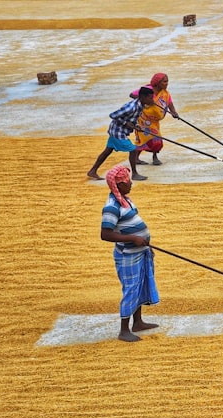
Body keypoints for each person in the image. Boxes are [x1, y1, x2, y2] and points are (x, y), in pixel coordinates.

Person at [100, 166, 160, 341]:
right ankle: (124, 330)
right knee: (131, 289)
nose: (131, 183)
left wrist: (146, 245)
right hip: (128, 256)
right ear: (118, 185)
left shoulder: (125, 200)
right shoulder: (111, 207)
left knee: (140, 285)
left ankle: (138, 322)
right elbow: (105, 234)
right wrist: (133, 238)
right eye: (127, 181)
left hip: (140, 252)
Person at [87, 85, 155, 182]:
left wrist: (136, 125)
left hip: (117, 130)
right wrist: (126, 123)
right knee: (133, 150)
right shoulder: (131, 107)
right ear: (143, 97)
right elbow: (113, 115)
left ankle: (92, 171)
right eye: (150, 97)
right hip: (118, 132)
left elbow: (132, 118)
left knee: (107, 151)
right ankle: (134, 174)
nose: (152, 100)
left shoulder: (140, 106)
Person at [133, 73, 179, 166]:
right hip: (143, 119)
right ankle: (137, 158)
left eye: (167, 81)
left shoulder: (165, 93)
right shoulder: (148, 89)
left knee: (156, 138)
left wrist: (174, 112)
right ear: (157, 83)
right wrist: (146, 101)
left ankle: (154, 157)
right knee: (145, 139)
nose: (167, 84)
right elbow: (132, 94)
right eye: (164, 82)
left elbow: (169, 103)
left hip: (154, 121)